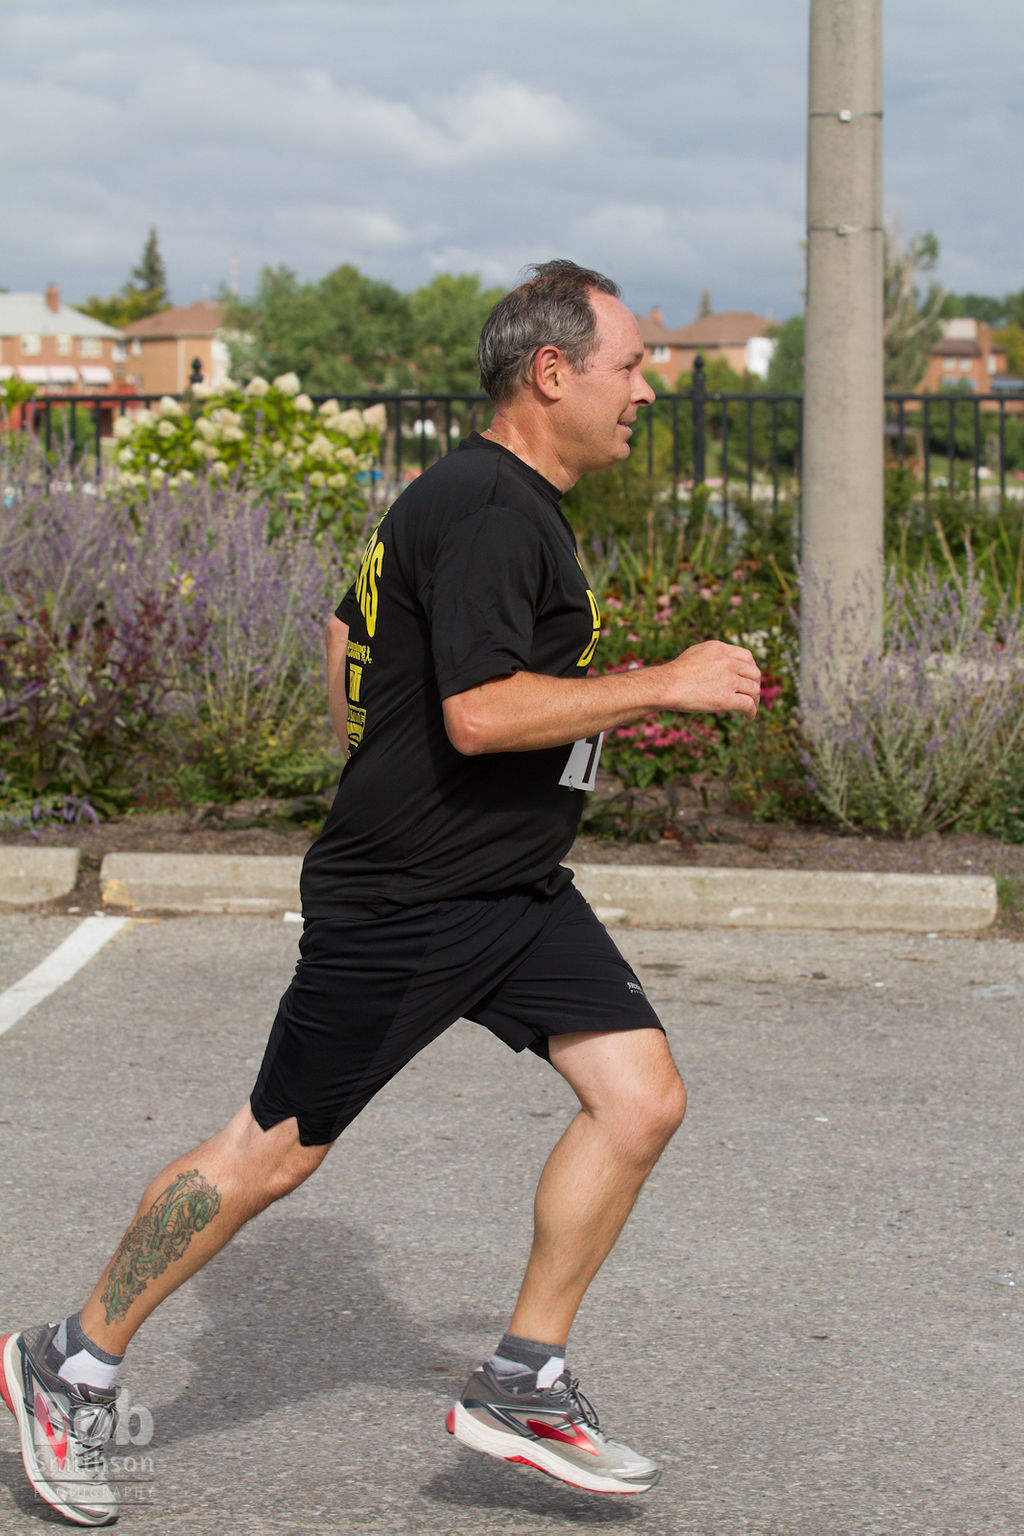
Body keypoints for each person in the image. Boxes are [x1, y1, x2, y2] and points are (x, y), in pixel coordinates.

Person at [1, 259, 761, 1526]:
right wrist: (658, 683)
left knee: (640, 1098)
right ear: (552, 372)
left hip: (509, 887)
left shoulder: (489, 499)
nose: (648, 389)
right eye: (631, 366)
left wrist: (387, 759)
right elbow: (479, 715)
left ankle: (522, 1383)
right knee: (267, 1155)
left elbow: (347, 635)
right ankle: (68, 1361)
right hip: (408, 901)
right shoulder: (488, 505)